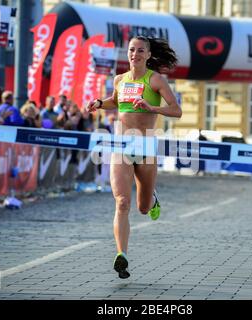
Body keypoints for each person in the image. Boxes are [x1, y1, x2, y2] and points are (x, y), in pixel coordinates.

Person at [86, 36, 181, 279]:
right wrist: (99, 102)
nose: (135, 54)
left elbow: (176, 110)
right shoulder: (120, 79)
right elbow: (115, 102)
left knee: (142, 207)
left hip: (147, 145)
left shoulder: (155, 79)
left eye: (140, 50)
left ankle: (152, 199)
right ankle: (122, 255)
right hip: (122, 146)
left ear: (148, 55)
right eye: (131, 50)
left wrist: (153, 108)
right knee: (122, 202)